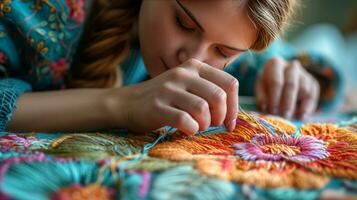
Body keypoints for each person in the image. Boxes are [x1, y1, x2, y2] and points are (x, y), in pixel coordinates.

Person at [0, 0, 341, 136]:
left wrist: (298, 74)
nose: (192, 59)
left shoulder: (235, 35)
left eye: (224, 51)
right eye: (183, 23)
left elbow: (317, 72)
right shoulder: (38, 11)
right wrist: (121, 105)